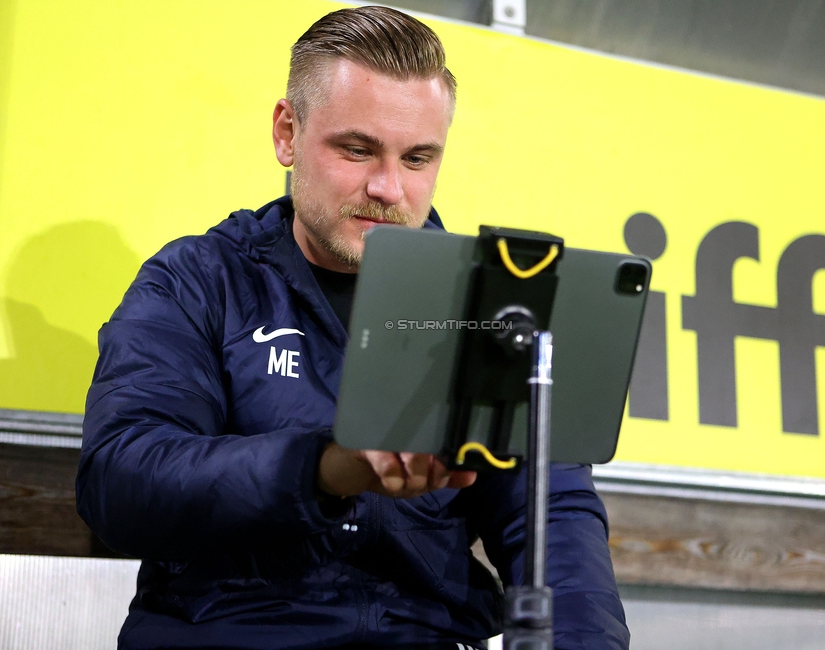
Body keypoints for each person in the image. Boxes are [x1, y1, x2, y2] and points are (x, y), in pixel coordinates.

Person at [76, 6, 630, 650]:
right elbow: (122, 483)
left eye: (418, 158)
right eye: (357, 149)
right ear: (288, 133)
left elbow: (551, 516)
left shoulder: (490, 308)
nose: (388, 188)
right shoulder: (197, 281)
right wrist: (324, 468)